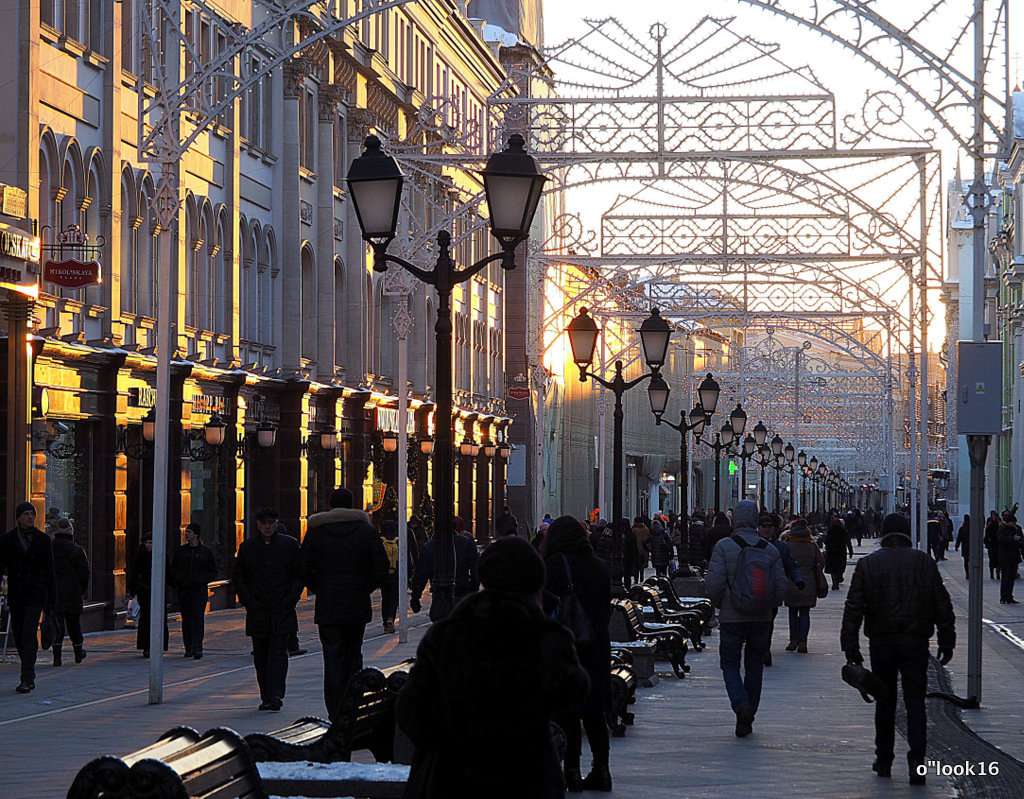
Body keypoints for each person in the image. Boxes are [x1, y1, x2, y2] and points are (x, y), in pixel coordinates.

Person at [396, 536, 589, 798]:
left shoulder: (447, 635)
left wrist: (444, 739)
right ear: (535, 582)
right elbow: (574, 691)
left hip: (455, 776)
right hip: (527, 775)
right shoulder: (545, 636)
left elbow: (411, 708)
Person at [840, 512, 955, 784]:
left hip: (882, 642)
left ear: (883, 533)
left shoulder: (868, 565)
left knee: (885, 701)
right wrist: (947, 639)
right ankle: (917, 763)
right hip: (915, 642)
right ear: (906, 534)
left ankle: (884, 759)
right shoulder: (923, 562)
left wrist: (851, 647)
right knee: (916, 703)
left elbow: (853, 608)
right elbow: (942, 604)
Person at [301, 486, 389, 721]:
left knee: (332, 658)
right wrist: (363, 588)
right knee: (353, 654)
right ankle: (353, 706)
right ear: (352, 506)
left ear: (330, 506)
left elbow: (303, 568)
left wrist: (321, 588)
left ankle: (335, 710)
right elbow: (381, 567)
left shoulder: (317, 532)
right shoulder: (366, 531)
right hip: (357, 605)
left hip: (328, 606)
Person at [705, 500, 787, 737]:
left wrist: (721, 603)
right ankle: (748, 716)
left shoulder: (723, 546)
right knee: (754, 667)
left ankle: (740, 704)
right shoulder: (769, 549)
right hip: (761, 617)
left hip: (732, 617)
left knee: (729, 664)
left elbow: (713, 583)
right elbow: (781, 586)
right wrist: (770, 606)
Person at [543, 515, 612, 792]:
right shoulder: (599, 566)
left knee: (567, 710)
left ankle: (571, 770)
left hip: (565, 647)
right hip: (595, 645)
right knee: (594, 712)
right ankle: (602, 770)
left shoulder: (553, 567)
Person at [233, 507, 304, 712]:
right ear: (258, 525)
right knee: (261, 655)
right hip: (258, 610)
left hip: (282, 609)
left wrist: (290, 599)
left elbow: (298, 575)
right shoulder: (248, 548)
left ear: (276, 523)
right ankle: (266, 694)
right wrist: (249, 601)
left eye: (271, 523)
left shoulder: (289, 546)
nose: (267, 527)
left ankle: (276, 694)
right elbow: (239, 577)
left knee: (278, 653)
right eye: (264, 523)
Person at [0, 502, 57, 693]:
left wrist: (52, 600)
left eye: (32, 514)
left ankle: (27, 677)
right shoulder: (8, 540)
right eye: (26, 514)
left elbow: (50, 571)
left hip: (36, 594)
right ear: (18, 517)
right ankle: (26, 672)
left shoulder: (43, 540)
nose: (30, 517)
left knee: (29, 633)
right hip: (16, 594)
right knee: (19, 633)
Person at [757, 511, 803, 666]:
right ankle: (760, 648)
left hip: (771, 591)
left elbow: (791, 564)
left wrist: (798, 579)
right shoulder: (751, 544)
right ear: (758, 528)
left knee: (768, 622)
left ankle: (765, 649)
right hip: (753, 589)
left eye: (770, 526)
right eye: (764, 526)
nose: (767, 529)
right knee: (757, 622)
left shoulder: (781, 547)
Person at [409, 519, 479, 616]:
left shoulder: (429, 547)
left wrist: (415, 596)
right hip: (462, 591)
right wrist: (473, 588)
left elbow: (421, 574)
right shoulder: (465, 543)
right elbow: (475, 568)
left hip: (440, 597)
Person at [170, 522, 218, 659]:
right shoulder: (181, 551)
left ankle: (197, 647)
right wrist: (179, 580)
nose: (186, 534)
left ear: (196, 534)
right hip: (184, 590)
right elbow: (174, 569)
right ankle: (188, 647)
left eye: (189, 532)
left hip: (199, 590)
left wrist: (202, 580)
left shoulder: (205, 552)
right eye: (186, 532)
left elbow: (213, 571)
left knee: (198, 618)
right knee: (187, 619)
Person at [51, 517, 89, 666]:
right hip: (73, 592)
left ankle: (57, 657)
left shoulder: (50, 549)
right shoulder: (77, 550)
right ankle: (78, 652)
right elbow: (85, 574)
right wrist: (82, 590)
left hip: (55, 592)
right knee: (74, 624)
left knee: (57, 625)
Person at [782, 518, 824, 654]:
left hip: (792, 582)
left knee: (793, 612)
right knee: (805, 613)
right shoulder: (812, 545)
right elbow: (821, 561)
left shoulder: (788, 545)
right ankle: (803, 642)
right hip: (808, 583)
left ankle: (793, 640)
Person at [129, 533, 169, 658]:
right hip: (144, 590)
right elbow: (134, 573)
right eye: (146, 542)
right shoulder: (140, 556)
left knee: (160, 618)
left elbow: (168, 572)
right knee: (146, 618)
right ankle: (146, 646)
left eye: (151, 542)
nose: (148, 545)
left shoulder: (161, 555)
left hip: (159, 590)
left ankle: (159, 645)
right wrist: (133, 590)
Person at [275, 522, 307, 657]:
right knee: (289, 618)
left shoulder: (288, 547)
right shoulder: (291, 547)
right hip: (286, 591)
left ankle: (283, 644)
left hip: (279, 592)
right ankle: (292, 644)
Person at [379, 520, 400, 634]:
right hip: (395, 574)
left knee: (385, 598)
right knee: (393, 598)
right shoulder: (398, 540)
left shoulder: (380, 541)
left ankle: (385, 622)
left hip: (384, 575)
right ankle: (390, 618)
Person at [997, 512, 1023, 604]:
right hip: (1005, 557)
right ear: (1008, 522)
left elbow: (1021, 541)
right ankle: (1003, 597)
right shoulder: (1002, 529)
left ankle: (1009, 596)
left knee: (1012, 578)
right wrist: (1012, 538)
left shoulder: (1017, 529)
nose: (1014, 524)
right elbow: (1000, 540)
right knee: (1005, 578)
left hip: (1014, 557)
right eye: (1012, 522)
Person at [824, 518, 848, 590]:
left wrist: (827, 548)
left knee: (833, 568)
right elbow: (847, 541)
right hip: (841, 552)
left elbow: (826, 541)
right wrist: (850, 550)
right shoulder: (843, 531)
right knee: (839, 567)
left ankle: (835, 581)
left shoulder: (830, 531)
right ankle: (838, 580)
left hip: (832, 552)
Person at [984, 510, 1001, 580]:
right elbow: (987, 535)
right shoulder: (992, 524)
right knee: (994, 560)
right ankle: (993, 573)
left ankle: (996, 573)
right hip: (993, 545)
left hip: (996, 545)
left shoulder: (998, 525)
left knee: (996, 560)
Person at [954, 514, 970, 579]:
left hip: (965, 546)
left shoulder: (962, 528)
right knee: (971, 560)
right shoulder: (973, 527)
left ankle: (967, 573)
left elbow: (959, 538)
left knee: (966, 560)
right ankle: (971, 571)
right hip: (972, 546)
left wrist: (956, 546)